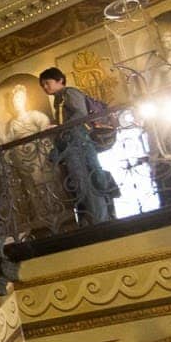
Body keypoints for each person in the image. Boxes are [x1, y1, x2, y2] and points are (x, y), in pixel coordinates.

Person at [40, 67, 117, 226]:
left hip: (79, 144)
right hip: (73, 144)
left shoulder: (69, 93)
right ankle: (94, 219)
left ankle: (100, 222)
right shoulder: (59, 98)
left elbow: (79, 115)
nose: (45, 88)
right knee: (82, 182)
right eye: (43, 86)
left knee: (87, 181)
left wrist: (58, 128)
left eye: (47, 83)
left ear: (60, 80)